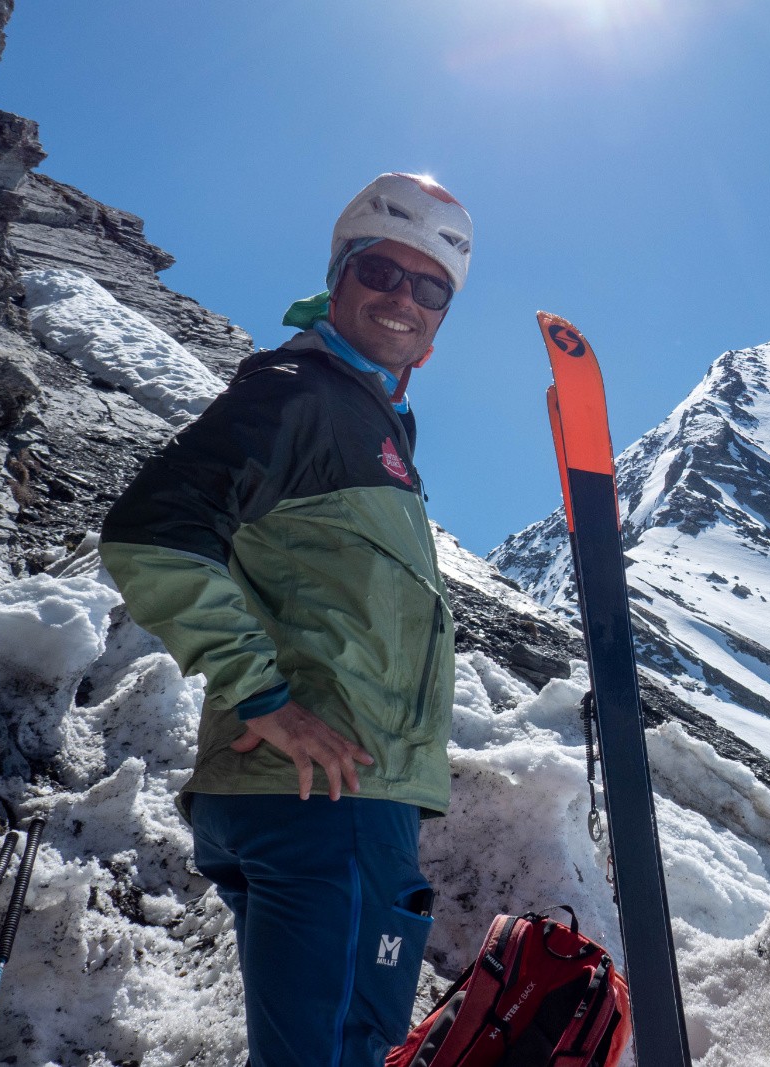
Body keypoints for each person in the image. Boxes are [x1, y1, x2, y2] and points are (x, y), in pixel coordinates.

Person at [100, 173, 472, 1066]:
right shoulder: (304, 395)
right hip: (329, 807)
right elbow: (153, 532)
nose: (404, 298)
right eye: (382, 271)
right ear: (339, 276)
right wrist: (264, 697)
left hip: (309, 805)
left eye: (430, 287)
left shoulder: (369, 414)